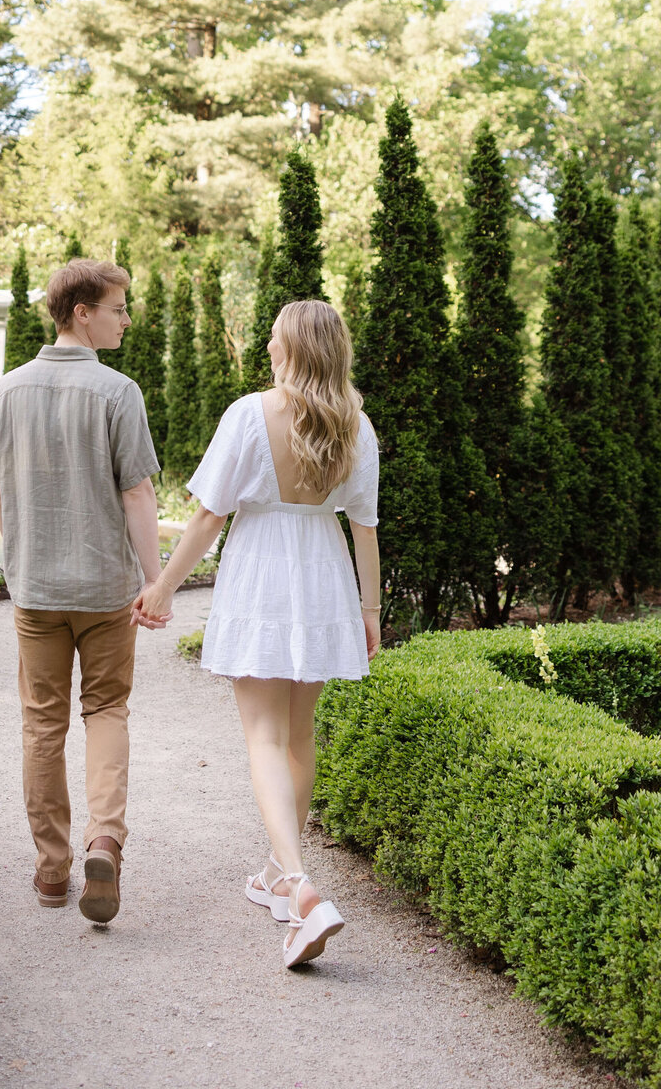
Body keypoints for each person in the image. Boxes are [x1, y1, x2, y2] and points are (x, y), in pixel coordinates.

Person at [132, 300, 380, 969]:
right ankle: (278, 870)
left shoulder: (249, 414)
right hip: (326, 578)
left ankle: (300, 889)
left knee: (264, 738)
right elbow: (365, 527)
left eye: (274, 340)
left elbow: (209, 517)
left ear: (293, 349)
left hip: (265, 577)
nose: (268, 349)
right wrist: (371, 612)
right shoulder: (358, 426)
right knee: (300, 736)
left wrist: (161, 589)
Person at [0, 257, 163, 924]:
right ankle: (104, 839)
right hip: (106, 590)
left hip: (36, 591)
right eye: (118, 307)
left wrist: (19, 558)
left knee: (41, 724)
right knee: (107, 712)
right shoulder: (119, 393)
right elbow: (137, 492)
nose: (125, 317)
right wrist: (157, 580)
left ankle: (53, 870)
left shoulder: (6, 392)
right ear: (81, 313)